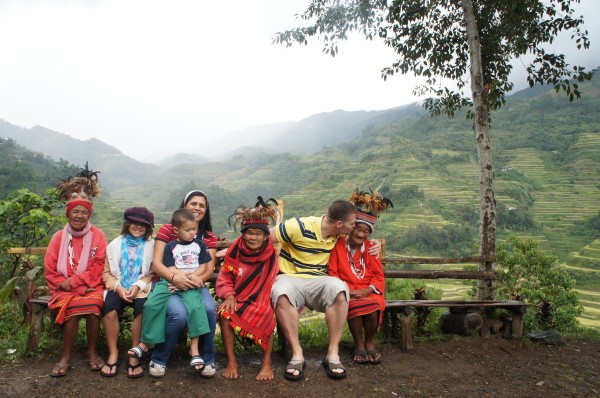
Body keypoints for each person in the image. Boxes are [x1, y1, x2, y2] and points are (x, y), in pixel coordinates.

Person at [270, 199, 379, 381]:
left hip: (318, 279)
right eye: (352, 224)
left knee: (339, 288)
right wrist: (231, 252)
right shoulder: (298, 226)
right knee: (280, 292)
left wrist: (374, 243)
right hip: (290, 277)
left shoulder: (338, 235)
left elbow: (360, 240)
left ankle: (332, 354)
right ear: (339, 224)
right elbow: (264, 237)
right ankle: (297, 355)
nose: (354, 227)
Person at [131, 190, 218, 378]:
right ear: (184, 206)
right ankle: (159, 357)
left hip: (195, 282)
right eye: (193, 203)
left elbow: (208, 269)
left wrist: (191, 281)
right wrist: (175, 279)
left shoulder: (208, 237)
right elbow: (158, 263)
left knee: (210, 309)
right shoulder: (168, 230)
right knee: (178, 314)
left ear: (206, 210)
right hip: (168, 281)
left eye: (202, 205)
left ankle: (206, 357)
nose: (197, 208)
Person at [44, 163, 107, 377]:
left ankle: (91, 352)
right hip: (63, 288)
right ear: (68, 214)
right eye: (75, 211)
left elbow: (99, 266)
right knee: (70, 308)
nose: (79, 216)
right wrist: (71, 286)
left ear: (89, 215)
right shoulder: (58, 238)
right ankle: (66, 356)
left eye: (84, 212)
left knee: (94, 305)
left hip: (91, 287)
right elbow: (50, 269)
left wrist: (76, 283)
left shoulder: (98, 236)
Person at [216, 198, 279, 380]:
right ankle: (231, 361)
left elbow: (270, 279)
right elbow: (225, 277)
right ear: (243, 234)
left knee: (268, 315)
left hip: (261, 300)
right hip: (237, 298)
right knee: (225, 314)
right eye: (250, 233)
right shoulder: (234, 252)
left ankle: (266, 363)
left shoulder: (271, 254)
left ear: (266, 236)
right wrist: (229, 295)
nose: (253, 237)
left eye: (258, 234)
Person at [328, 189, 393, 365]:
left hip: (369, 291)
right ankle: (359, 345)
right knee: (354, 305)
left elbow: (378, 276)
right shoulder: (338, 245)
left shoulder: (371, 248)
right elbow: (332, 273)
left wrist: (367, 290)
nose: (361, 234)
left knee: (372, 305)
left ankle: (369, 342)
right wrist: (347, 290)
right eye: (358, 229)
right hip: (346, 290)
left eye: (366, 231)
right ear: (351, 228)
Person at [101, 207, 155, 378]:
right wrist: (117, 287)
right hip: (119, 286)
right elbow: (106, 273)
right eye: (134, 223)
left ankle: (134, 354)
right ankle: (113, 353)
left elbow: (152, 273)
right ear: (127, 224)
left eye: (143, 224)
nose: (138, 226)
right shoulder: (114, 246)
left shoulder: (152, 247)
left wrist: (138, 285)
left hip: (140, 288)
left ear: (148, 228)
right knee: (109, 309)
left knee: (141, 309)